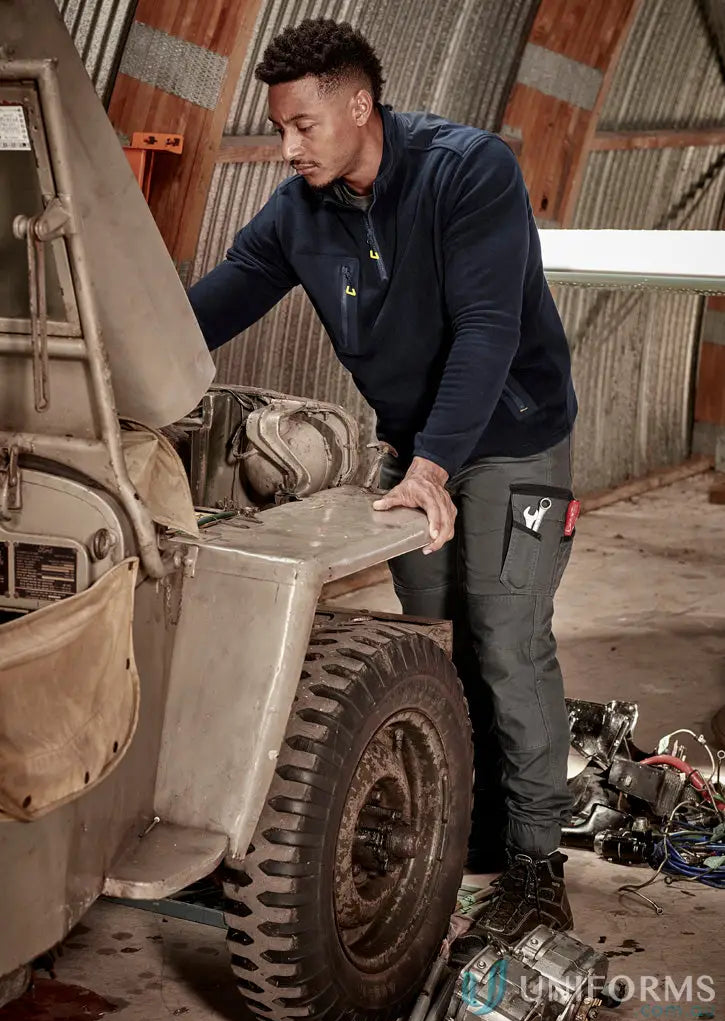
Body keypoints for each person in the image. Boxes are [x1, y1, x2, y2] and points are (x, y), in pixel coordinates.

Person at [188, 18, 578, 944]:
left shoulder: (468, 170)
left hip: (510, 438)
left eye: (303, 126)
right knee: (436, 645)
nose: (287, 147)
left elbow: (486, 328)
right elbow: (215, 301)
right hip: (419, 445)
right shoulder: (299, 211)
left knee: (507, 640)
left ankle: (535, 865)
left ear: (359, 106)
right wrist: (116, 361)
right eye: (279, 127)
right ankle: (465, 826)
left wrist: (433, 468)